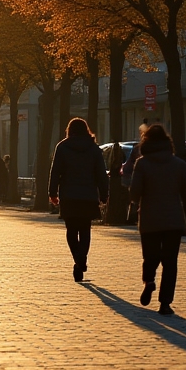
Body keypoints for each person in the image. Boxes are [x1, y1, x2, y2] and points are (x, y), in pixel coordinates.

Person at [130, 123, 186, 316]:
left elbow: (135, 194)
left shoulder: (142, 164)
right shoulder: (180, 165)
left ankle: (149, 280)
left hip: (149, 220)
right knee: (170, 262)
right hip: (173, 221)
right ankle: (165, 303)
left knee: (150, 256)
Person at [48, 118, 108, 283]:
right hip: (88, 195)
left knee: (71, 230)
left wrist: (52, 192)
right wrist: (104, 194)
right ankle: (81, 259)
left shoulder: (62, 147)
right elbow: (101, 174)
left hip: (69, 195)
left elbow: (55, 172)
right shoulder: (94, 149)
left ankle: (78, 259)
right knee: (85, 230)